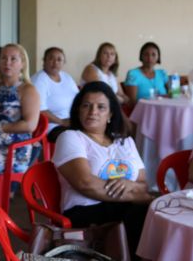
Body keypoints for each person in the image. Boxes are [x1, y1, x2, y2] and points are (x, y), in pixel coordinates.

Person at [53, 81, 153, 258]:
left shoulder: (125, 142)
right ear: (78, 110)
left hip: (122, 207)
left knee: (156, 215)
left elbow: (143, 184)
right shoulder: (71, 137)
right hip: (85, 210)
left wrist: (131, 186)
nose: (93, 112)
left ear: (110, 114)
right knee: (146, 212)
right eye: (86, 106)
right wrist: (138, 196)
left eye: (101, 107)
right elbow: (85, 183)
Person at [0, 43, 40, 175]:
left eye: (13, 59)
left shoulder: (28, 90)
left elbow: (30, 125)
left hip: (13, 150)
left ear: (22, 63)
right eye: (3, 58)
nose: (7, 63)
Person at [31, 47, 79, 142]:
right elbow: (40, 111)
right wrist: (62, 122)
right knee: (78, 137)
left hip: (71, 121)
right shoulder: (39, 80)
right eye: (51, 58)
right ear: (44, 60)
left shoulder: (67, 77)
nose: (55, 62)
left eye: (59, 59)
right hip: (52, 126)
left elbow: (79, 99)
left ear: (63, 62)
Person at [124, 42, 168, 106]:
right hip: (144, 111)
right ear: (141, 56)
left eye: (153, 55)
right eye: (146, 54)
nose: (150, 58)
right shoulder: (133, 74)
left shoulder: (162, 73)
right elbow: (132, 102)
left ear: (158, 57)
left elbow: (172, 94)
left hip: (164, 108)